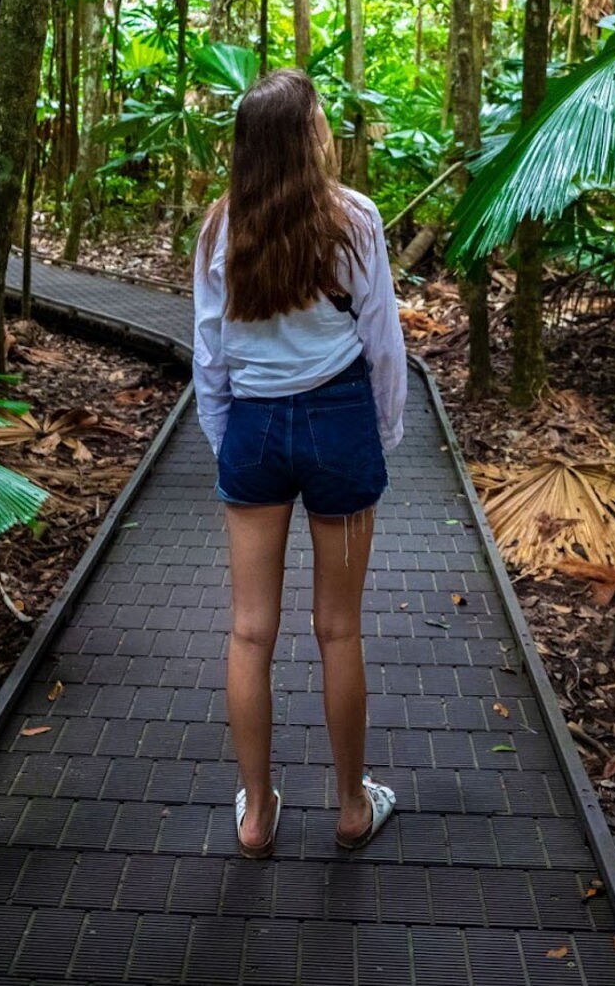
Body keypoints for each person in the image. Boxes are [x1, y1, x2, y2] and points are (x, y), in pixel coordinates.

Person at [193, 68, 407, 859]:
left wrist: (232, 447)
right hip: (338, 420)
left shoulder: (221, 229)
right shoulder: (354, 220)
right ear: (308, 134)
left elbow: (208, 359)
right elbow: (384, 345)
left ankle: (256, 817)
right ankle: (352, 806)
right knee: (338, 628)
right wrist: (376, 439)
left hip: (253, 426)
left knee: (250, 632)